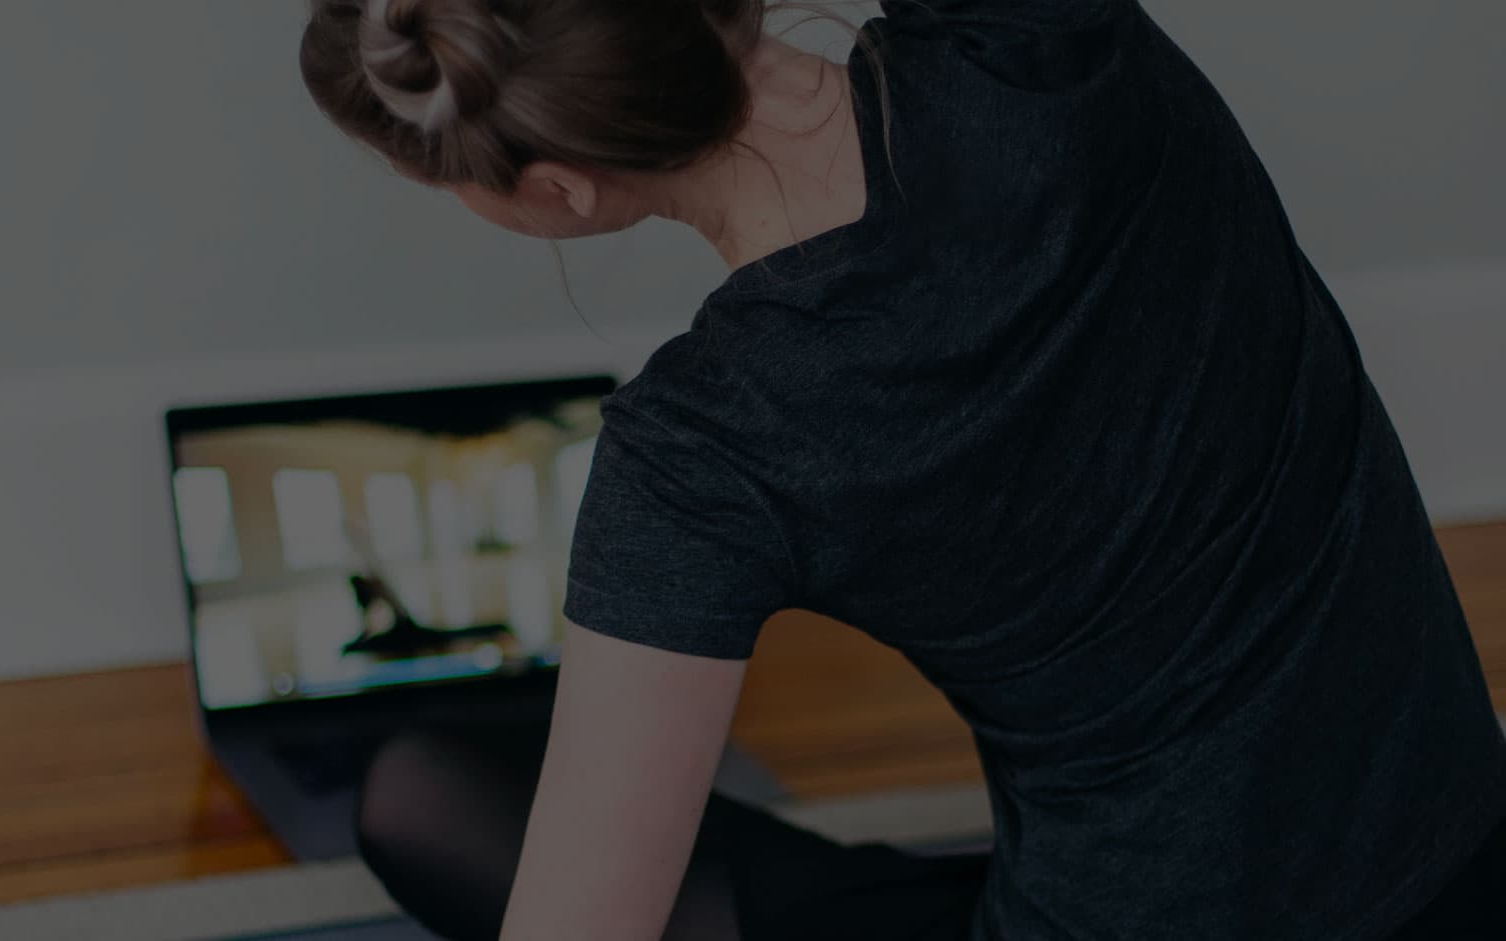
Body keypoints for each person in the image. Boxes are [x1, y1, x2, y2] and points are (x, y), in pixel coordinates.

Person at [297, 0, 1506, 938]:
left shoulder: (699, 451)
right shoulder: (1041, 36)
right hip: (1464, 858)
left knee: (422, 793)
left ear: (556, 189)